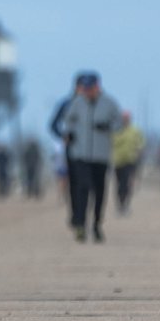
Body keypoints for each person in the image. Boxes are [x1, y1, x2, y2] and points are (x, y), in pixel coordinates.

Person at [62, 72, 122, 242]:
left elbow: (119, 123)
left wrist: (107, 126)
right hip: (80, 154)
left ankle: (96, 224)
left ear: (97, 86)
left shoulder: (109, 103)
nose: (87, 92)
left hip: (101, 155)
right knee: (83, 187)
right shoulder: (77, 103)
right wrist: (69, 133)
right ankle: (80, 223)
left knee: (99, 190)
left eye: (90, 88)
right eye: (85, 89)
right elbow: (68, 120)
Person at [49, 74, 85, 224]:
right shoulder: (66, 104)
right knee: (74, 182)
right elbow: (53, 124)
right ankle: (76, 214)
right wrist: (63, 136)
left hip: (92, 151)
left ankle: (83, 212)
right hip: (72, 149)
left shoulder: (98, 105)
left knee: (87, 184)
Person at [111, 111, 145, 215]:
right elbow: (110, 142)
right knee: (119, 184)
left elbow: (141, 142)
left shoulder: (135, 130)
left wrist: (138, 150)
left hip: (130, 160)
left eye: (127, 118)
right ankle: (120, 204)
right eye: (123, 118)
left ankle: (125, 204)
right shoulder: (116, 130)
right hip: (118, 161)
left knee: (128, 183)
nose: (125, 120)